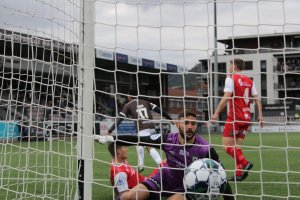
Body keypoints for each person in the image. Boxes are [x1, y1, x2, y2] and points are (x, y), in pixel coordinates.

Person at [96, 110, 234, 200]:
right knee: (129, 197)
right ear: (178, 124)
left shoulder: (205, 149)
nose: (190, 126)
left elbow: (221, 176)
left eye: (193, 123)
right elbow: (140, 140)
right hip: (163, 178)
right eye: (186, 123)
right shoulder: (168, 139)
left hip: (186, 187)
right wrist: (113, 138)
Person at [211, 58, 264, 182]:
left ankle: (245, 163)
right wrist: (260, 115)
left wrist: (216, 113)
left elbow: (226, 97)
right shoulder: (249, 81)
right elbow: (257, 98)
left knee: (225, 146)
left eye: (230, 65)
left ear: (234, 66)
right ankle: (239, 174)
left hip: (235, 117)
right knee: (237, 147)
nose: (229, 67)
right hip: (247, 118)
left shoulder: (230, 78)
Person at [106, 89, 173, 172]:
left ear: (129, 96)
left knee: (146, 145)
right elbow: (159, 110)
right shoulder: (145, 102)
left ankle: (153, 164)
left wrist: (109, 131)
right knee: (143, 144)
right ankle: (144, 164)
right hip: (152, 126)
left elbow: (120, 119)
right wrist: (170, 118)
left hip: (142, 127)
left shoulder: (128, 105)